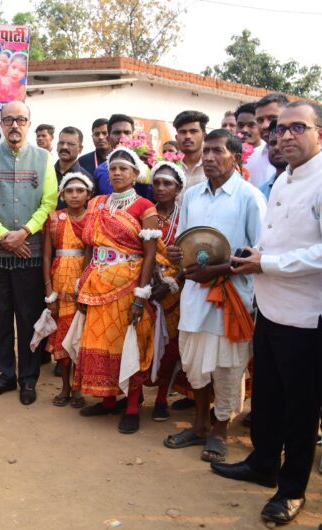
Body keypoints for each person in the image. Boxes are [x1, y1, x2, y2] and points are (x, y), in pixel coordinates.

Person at [211, 102, 322, 526]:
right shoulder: (283, 180)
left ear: (319, 133)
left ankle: (291, 490)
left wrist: (267, 263)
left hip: (306, 318)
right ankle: (262, 463)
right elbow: (278, 239)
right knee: (268, 397)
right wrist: (256, 255)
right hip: (271, 309)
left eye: (298, 127)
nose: (285, 135)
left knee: (300, 408)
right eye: (281, 129)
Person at [164, 129, 264, 463]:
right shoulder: (192, 196)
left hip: (232, 296)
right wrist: (176, 254)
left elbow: (259, 254)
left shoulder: (249, 197)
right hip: (195, 294)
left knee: (227, 365)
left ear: (235, 157)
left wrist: (218, 270)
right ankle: (199, 425)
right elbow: (183, 241)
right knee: (194, 362)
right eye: (205, 151)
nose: (208, 157)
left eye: (217, 151)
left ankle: (220, 430)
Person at [0, 101, 57, 406]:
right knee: (0, 315)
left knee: (29, 316)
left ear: (29, 123)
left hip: (29, 251)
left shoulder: (43, 158)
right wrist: (2, 235)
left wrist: (24, 232)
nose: (15, 125)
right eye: (8, 120)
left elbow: (49, 202)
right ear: (1, 124)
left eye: (21, 119)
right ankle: (6, 374)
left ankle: (28, 378)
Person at [75, 147, 159, 434]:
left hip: (128, 286)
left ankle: (132, 406)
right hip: (96, 283)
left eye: (124, 168)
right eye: (113, 168)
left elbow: (150, 254)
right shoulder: (97, 203)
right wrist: (82, 283)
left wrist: (141, 295)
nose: (118, 173)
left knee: (127, 344)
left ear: (135, 174)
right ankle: (108, 400)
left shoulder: (145, 207)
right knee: (100, 343)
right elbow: (90, 245)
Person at [42, 172, 93, 407]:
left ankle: (78, 389)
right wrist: (49, 292)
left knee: (81, 338)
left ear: (88, 195)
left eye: (80, 191)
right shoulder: (54, 219)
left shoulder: (94, 219)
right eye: (69, 191)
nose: (74, 195)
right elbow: (46, 256)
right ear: (62, 195)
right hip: (60, 284)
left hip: (86, 284)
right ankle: (64, 386)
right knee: (63, 339)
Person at [147, 161, 188, 421]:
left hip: (177, 288)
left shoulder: (187, 216)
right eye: (157, 183)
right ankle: (135, 394)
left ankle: (162, 397)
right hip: (147, 286)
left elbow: (192, 253)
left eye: (167, 183)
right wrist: (152, 279)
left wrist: (172, 282)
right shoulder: (145, 213)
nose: (161, 188)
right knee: (145, 341)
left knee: (171, 346)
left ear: (179, 188)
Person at [93, 114, 151, 198]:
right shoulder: (100, 171)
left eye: (127, 133)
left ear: (133, 137)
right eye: (117, 133)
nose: (122, 137)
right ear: (108, 139)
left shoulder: (145, 166)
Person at [55, 126, 92, 209]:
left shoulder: (87, 179)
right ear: (57, 146)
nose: (64, 147)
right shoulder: (46, 173)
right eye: (61, 143)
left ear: (80, 148)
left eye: (70, 144)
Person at [174, 110, 209, 190]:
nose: (188, 136)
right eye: (183, 132)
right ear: (176, 137)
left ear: (204, 136)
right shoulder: (170, 165)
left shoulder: (214, 165)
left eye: (193, 131)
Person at [235, 103, 267, 186]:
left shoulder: (269, 154)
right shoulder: (229, 153)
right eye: (240, 125)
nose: (244, 130)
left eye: (251, 125)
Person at [258, 121, 286, 201]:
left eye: (282, 142)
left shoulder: (310, 185)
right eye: (273, 143)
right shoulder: (261, 192)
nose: (276, 148)